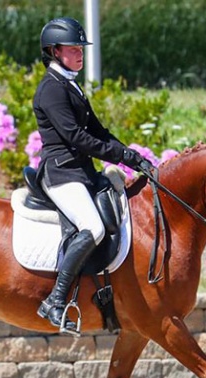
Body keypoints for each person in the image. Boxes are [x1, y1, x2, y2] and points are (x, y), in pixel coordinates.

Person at [33, 16, 153, 332]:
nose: (80, 54)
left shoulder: (70, 85)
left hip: (81, 172)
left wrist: (134, 157)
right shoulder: (51, 89)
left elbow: (99, 131)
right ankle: (56, 302)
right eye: (73, 48)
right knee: (94, 227)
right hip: (62, 175)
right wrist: (120, 155)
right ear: (54, 51)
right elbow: (76, 137)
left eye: (81, 48)